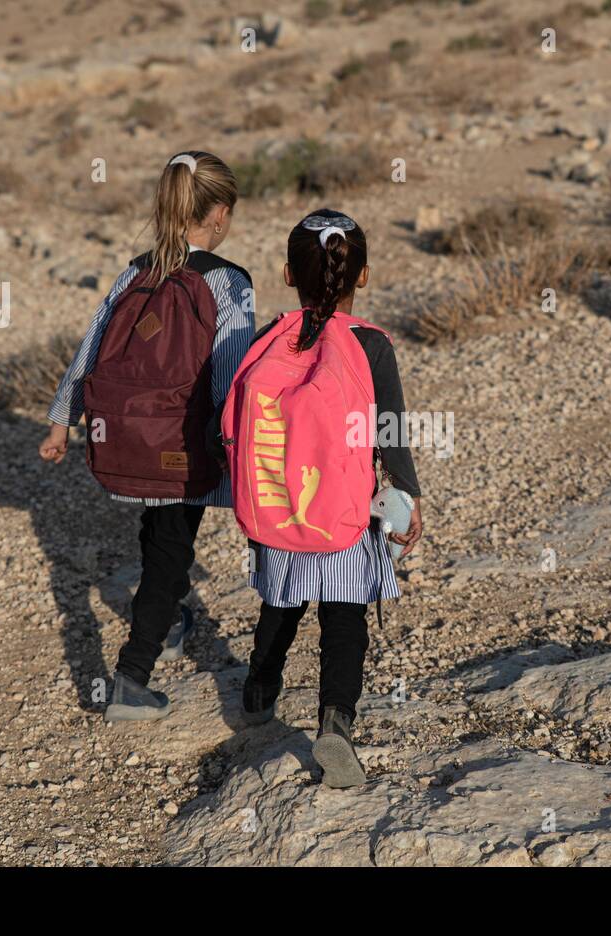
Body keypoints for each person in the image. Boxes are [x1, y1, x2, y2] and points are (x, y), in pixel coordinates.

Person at [39, 150, 254, 721]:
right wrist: (237, 447)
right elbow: (231, 373)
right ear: (220, 215)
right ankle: (131, 679)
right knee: (168, 552)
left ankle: (172, 618)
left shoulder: (134, 272)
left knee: (159, 535)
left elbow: (90, 350)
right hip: (186, 446)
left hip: (126, 443)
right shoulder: (229, 282)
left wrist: (64, 419)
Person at [227, 209, 423, 787]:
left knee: (279, 608)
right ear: (362, 276)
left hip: (279, 507)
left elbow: (232, 423)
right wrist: (407, 494)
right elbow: (390, 431)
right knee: (345, 622)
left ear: (289, 274)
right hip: (344, 513)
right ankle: (335, 724)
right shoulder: (371, 347)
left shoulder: (268, 339)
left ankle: (260, 688)